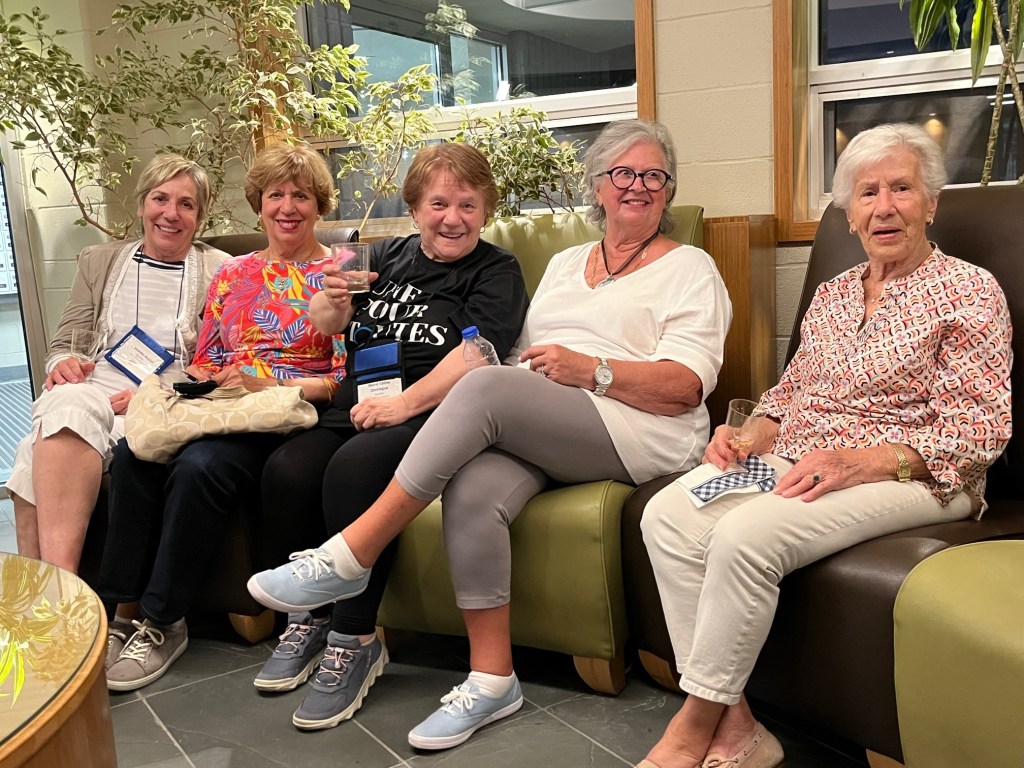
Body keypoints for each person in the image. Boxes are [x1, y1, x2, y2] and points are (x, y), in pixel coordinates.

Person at [248, 119, 733, 747]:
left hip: (639, 428)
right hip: (552, 420)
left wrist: (592, 369)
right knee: (473, 487)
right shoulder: (565, 264)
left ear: (668, 190)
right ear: (597, 185)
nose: (637, 185)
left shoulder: (691, 267)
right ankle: (492, 679)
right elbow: (521, 358)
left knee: (481, 380)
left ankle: (349, 555)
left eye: (653, 176)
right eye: (622, 173)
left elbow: (687, 387)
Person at [632, 122, 1013, 768]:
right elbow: (792, 391)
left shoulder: (969, 291)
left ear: (930, 203)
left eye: (901, 189)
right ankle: (738, 725)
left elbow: (979, 429)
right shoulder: (835, 295)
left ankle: (691, 728)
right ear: (849, 213)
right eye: (867, 193)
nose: (884, 207)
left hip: (918, 476)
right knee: (668, 515)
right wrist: (752, 431)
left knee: (744, 537)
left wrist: (860, 462)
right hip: (800, 460)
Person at [249, 142, 529, 729]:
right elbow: (329, 324)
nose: (452, 218)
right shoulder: (381, 255)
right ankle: (310, 623)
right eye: (438, 204)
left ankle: (355, 640)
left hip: (435, 412)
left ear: (486, 210)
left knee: (354, 468)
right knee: (287, 469)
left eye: (468, 205)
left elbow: (479, 354)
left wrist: (403, 404)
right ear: (415, 207)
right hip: (357, 402)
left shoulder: (496, 270)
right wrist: (329, 301)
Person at [97, 142, 348, 692]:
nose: (287, 207)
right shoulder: (234, 273)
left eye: (301, 196)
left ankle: (165, 621)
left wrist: (267, 382)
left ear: (319, 206)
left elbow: (340, 379)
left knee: (200, 466)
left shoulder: (336, 275)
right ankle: (120, 614)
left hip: (284, 412)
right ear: (258, 203)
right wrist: (178, 390)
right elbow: (207, 358)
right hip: (222, 404)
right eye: (275, 195)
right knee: (134, 453)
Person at [6, 154, 226, 573]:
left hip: (162, 404)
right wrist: (64, 363)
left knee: (30, 449)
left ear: (199, 217)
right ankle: (61, 595)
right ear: (142, 205)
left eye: (186, 204)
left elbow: (219, 364)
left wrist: (154, 394)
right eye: (160, 199)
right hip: (92, 392)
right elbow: (65, 342)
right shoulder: (99, 260)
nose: (171, 213)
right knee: (68, 402)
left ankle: (56, 594)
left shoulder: (222, 270)